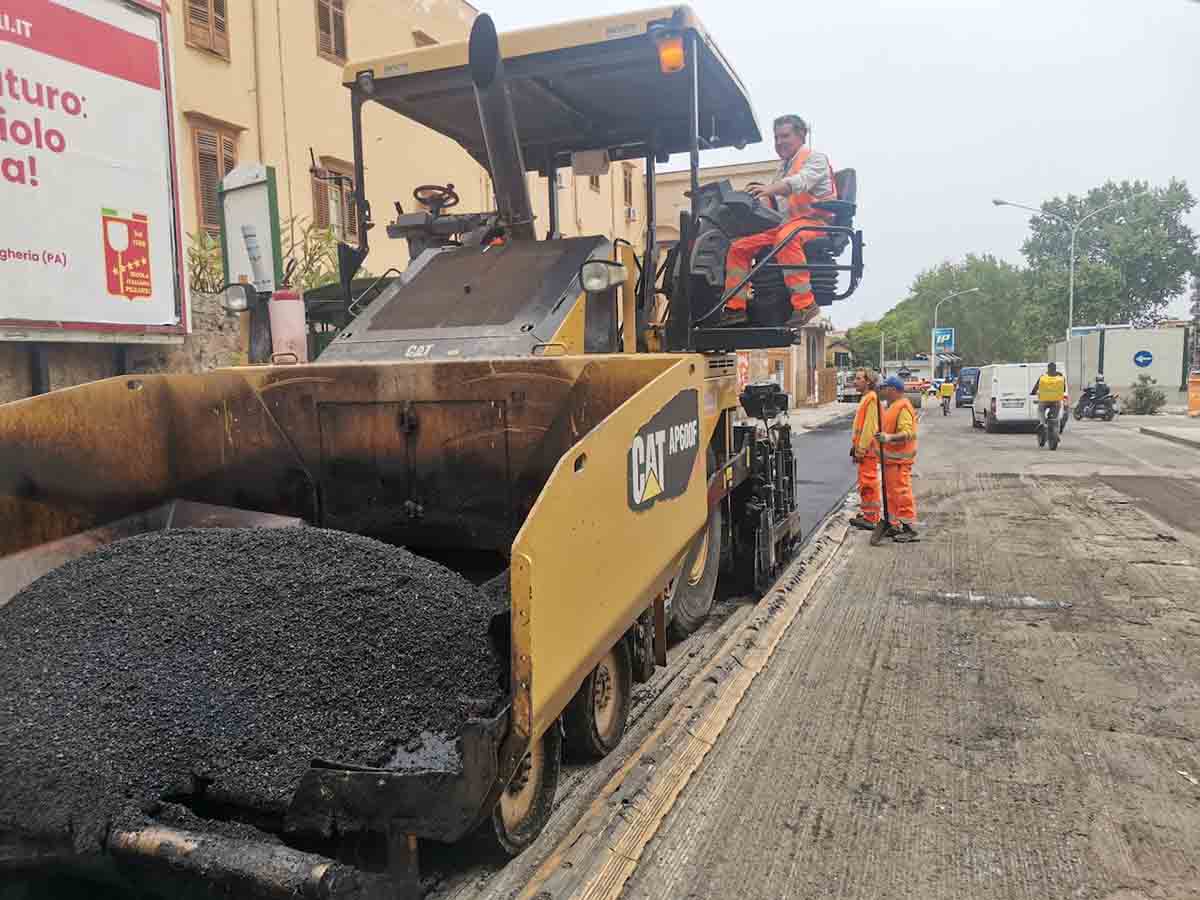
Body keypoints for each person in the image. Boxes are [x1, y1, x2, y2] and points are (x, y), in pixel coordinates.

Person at [722, 114, 837, 329]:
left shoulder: (815, 159)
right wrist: (750, 202)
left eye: (785, 136)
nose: (779, 142)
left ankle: (805, 305)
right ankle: (735, 309)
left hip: (816, 223)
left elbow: (797, 183)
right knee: (739, 248)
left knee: (786, 238)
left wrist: (769, 189)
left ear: (801, 135)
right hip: (790, 225)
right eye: (776, 138)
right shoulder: (783, 167)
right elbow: (774, 200)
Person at [876, 375, 919, 542]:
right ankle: (894, 524)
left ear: (893, 390)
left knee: (901, 494)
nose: (883, 391)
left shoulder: (902, 408)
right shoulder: (894, 406)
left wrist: (888, 438)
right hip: (892, 462)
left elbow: (907, 433)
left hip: (899, 462)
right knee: (893, 495)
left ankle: (910, 527)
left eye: (885, 388)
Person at [848, 368, 882, 531]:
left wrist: (860, 449)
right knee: (865, 483)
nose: (855, 381)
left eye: (858, 378)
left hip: (867, 451)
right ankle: (868, 513)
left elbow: (869, 428)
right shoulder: (867, 398)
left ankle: (871, 518)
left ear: (868, 381)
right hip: (864, 449)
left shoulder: (871, 399)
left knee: (868, 483)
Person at [1030, 362, 1067, 440]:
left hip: (1044, 401)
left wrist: (1032, 393)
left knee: (1040, 410)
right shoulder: (1060, 377)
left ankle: (1042, 424)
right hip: (1056, 401)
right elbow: (1063, 389)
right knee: (1056, 418)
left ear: (1048, 368)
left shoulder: (1043, 376)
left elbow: (1036, 387)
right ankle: (1057, 434)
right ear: (1055, 368)